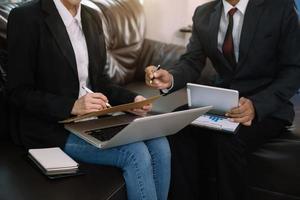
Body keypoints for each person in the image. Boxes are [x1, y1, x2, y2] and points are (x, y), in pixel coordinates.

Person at [7, 0, 170, 199]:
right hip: (50, 127)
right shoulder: (25, 17)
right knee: (135, 153)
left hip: (90, 122)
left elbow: (100, 81)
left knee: (159, 142)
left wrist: (133, 99)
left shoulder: (92, 17)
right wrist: (72, 106)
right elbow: (17, 91)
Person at [145, 0, 300, 199]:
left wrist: (256, 106)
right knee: (177, 127)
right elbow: (191, 62)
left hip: (266, 106)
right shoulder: (203, 13)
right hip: (222, 103)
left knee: (225, 137)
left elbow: (294, 70)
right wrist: (170, 78)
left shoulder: (279, 8)